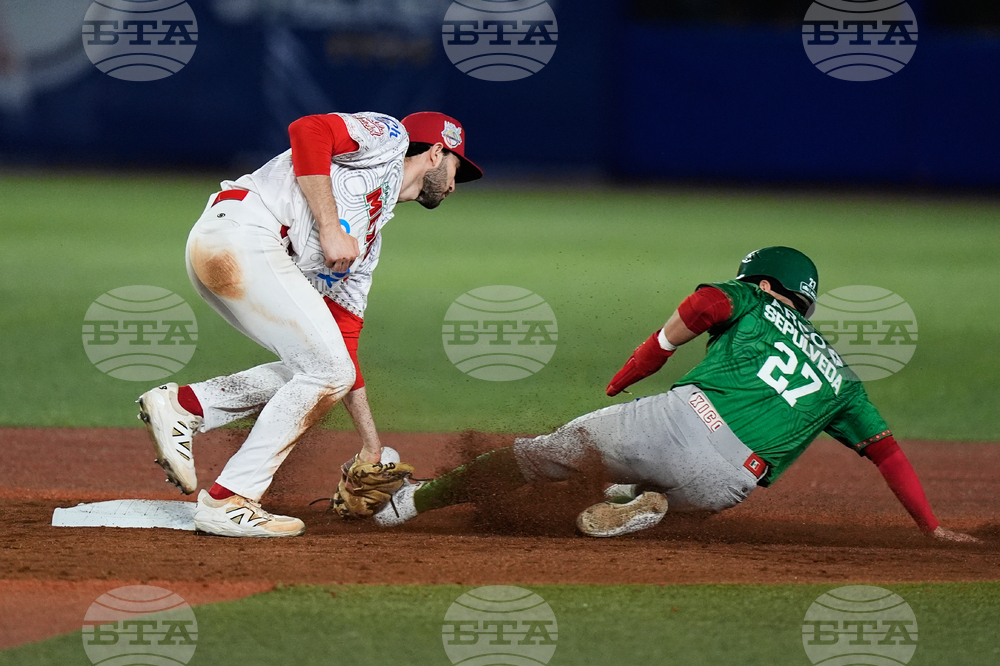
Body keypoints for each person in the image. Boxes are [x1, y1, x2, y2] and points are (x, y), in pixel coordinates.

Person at [373, 247, 978, 544]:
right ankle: (650, 501)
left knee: (536, 455)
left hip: (677, 420)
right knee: (645, 487)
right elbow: (889, 453)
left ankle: (403, 507)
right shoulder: (843, 377)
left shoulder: (752, 299)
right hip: (731, 479)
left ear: (767, 285)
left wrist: (641, 364)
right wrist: (930, 528)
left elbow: (709, 303)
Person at [136, 111, 482, 538]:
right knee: (325, 369)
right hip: (244, 233)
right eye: (455, 168)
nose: (453, 185)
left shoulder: (368, 243)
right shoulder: (389, 138)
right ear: (434, 153)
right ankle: (230, 500)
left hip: (236, 250)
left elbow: (344, 345)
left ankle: (187, 405)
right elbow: (309, 130)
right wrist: (329, 225)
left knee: (322, 365)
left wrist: (371, 447)